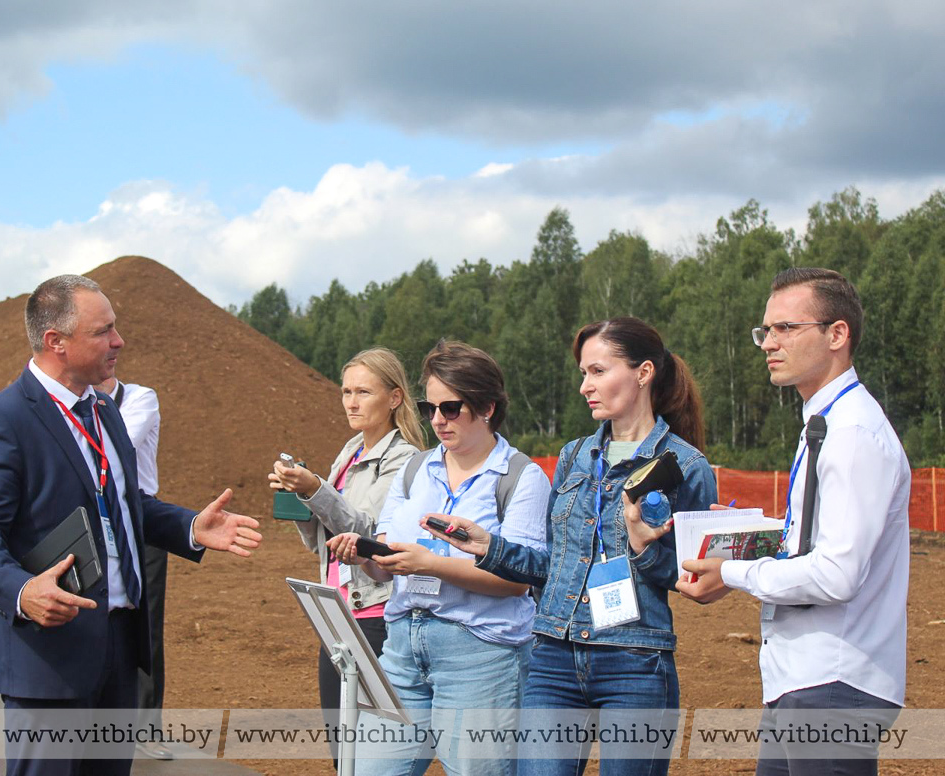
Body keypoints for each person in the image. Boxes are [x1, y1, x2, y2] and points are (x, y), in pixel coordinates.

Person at [0, 274, 262, 776]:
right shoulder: (2, 420)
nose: (118, 342)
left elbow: (121, 502)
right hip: (49, 653)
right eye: (103, 331)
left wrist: (187, 528)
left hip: (118, 645)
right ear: (57, 342)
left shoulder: (104, 412)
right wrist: (23, 590)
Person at [423, 317, 718, 776]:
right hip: (554, 657)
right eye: (583, 373)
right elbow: (551, 565)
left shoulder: (686, 466)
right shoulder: (574, 456)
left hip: (634, 660)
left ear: (643, 373)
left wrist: (643, 549)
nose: (585, 386)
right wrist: (488, 547)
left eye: (598, 371)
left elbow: (688, 577)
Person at [676, 268, 910, 776]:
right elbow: (817, 540)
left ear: (837, 334)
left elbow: (836, 574)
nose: (769, 343)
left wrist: (732, 572)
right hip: (807, 680)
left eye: (786, 328)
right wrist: (753, 534)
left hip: (833, 683)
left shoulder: (851, 434)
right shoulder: (826, 424)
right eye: (766, 331)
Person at [329, 340, 550, 776]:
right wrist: (368, 557)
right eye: (430, 408)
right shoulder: (415, 470)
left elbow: (518, 581)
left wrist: (428, 565)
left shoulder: (522, 478)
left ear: (487, 407)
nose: (436, 420)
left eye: (450, 408)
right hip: (402, 650)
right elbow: (390, 559)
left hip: (480, 656)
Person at [267, 347, 425, 767]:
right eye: (346, 391)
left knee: (372, 753)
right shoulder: (350, 450)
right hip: (337, 610)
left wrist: (316, 488)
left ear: (394, 398)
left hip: (375, 614)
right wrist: (300, 498)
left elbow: (371, 536)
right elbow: (324, 543)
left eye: (363, 392)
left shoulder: (406, 459)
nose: (351, 402)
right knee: (343, 751)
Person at [95, 373, 172, 761]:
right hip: (93, 520)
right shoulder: (76, 404)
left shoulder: (140, 397)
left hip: (144, 523)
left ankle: (146, 727)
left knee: (146, 625)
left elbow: (115, 444)